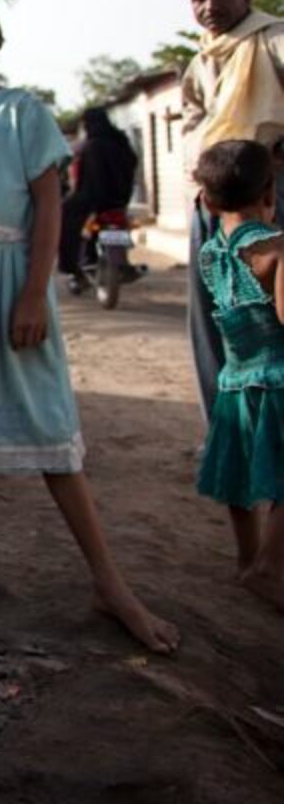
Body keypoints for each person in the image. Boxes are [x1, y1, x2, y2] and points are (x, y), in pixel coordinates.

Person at [0, 0, 179, 653]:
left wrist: (32, 294)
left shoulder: (21, 113)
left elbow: (49, 208)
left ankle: (110, 582)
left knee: (49, 430)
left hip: (6, 285)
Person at [178, 0, 284, 418]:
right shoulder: (202, 58)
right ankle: (225, 425)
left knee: (270, 312)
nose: (208, 5)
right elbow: (192, 122)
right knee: (213, 314)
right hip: (212, 198)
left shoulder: (274, 39)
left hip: (270, 194)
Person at [190, 138, 284, 610]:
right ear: (270, 194)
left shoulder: (211, 253)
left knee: (240, 476)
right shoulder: (275, 250)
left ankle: (247, 560)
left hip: (235, 380)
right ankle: (270, 565)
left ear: (206, 200)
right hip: (278, 381)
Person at [58, 106, 138, 291]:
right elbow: (132, 166)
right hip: (120, 199)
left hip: (91, 201)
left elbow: (83, 180)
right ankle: (120, 261)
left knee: (65, 218)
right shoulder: (121, 142)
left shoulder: (89, 146)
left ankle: (73, 269)